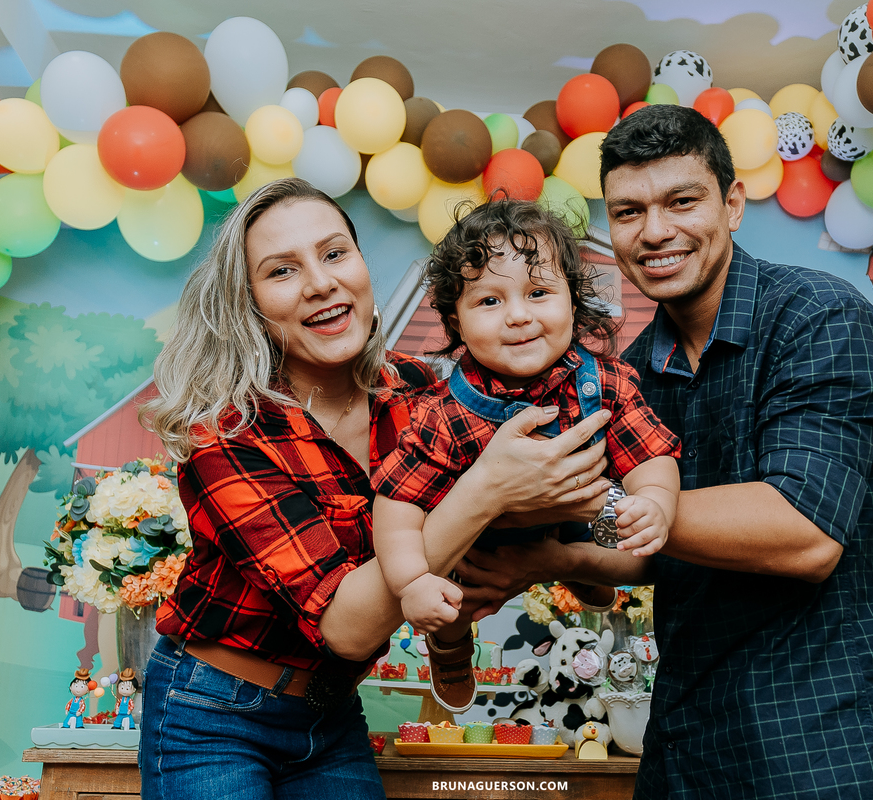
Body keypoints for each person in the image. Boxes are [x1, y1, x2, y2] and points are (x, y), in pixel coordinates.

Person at [457, 105, 873, 798]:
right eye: (627, 212)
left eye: (682, 201)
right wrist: (549, 553)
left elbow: (804, 532)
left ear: (733, 203)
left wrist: (578, 499)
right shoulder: (633, 375)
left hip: (828, 747)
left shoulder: (820, 319)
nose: (655, 231)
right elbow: (648, 544)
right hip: (687, 745)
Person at [138, 178, 612, 800]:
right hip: (213, 714)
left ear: (362, 266)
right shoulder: (226, 437)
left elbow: (555, 542)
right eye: (283, 271)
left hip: (330, 714)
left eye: (335, 254)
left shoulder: (421, 392)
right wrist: (487, 490)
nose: (320, 282)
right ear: (247, 303)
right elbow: (348, 629)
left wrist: (549, 546)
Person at [370, 200, 681, 713]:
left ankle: (581, 571)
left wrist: (657, 500)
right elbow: (397, 502)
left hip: (570, 520)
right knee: (450, 599)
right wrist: (411, 583)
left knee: (613, 524)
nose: (518, 315)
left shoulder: (604, 383)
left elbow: (651, 450)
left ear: (574, 305)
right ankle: (449, 652)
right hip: (476, 542)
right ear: (456, 322)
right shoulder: (443, 413)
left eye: (539, 293)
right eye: (489, 301)